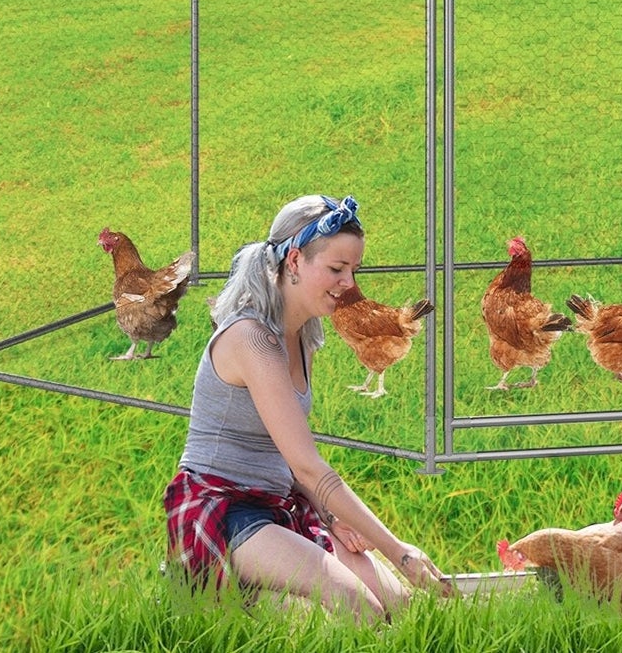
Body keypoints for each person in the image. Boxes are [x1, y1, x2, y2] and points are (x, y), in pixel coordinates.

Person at [164, 194, 444, 620]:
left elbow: (295, 468)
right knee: (358, 607)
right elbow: (310, 465)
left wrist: (332, 517)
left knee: (401, 607)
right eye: (336, 268)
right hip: (222, 509)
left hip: (279, 505)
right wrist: (399, 551)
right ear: (293, 262)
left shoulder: (303, 335)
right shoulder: (251, 339)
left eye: (353, 269)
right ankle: (223, 591)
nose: (348, 282)